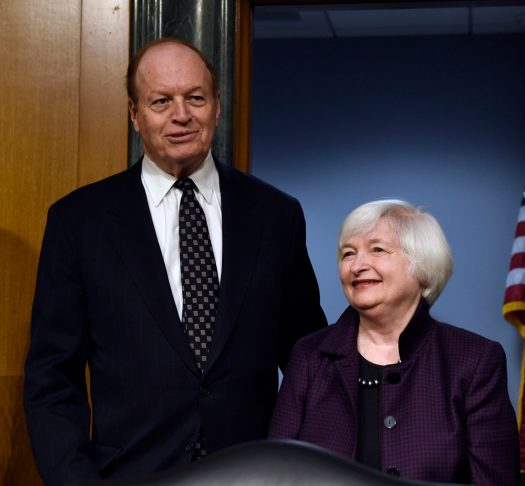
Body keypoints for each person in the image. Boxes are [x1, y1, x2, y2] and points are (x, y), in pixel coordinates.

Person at [23, 38, 327, 485]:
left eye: (195, 98)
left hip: (256, 476)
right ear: (134, 114)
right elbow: (53, 379)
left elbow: (310, 363)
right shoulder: (79, 222)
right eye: (161, 101)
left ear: (217, 106)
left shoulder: (276, 216)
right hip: (130, 475)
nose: (181, 115)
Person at [268, 200, 520, 485]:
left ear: (422, 266)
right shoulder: (309, 355)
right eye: (348, 253)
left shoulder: (474, 360)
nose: (357, 265)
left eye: (377, 249)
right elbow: (277, 474)